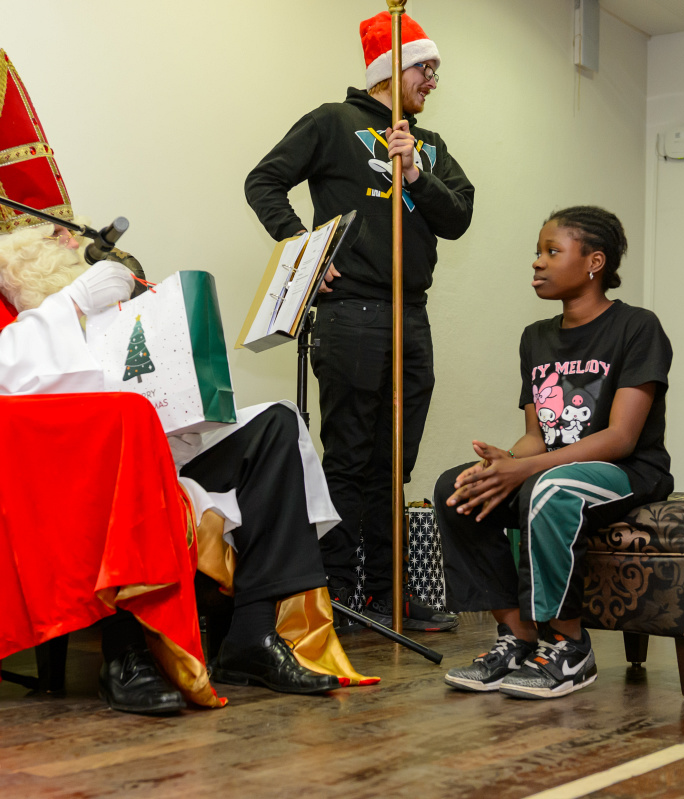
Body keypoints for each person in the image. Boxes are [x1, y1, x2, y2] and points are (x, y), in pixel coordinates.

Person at [0, 50, 372, 718]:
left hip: (150, 444)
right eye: (58, 236)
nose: (74, 246)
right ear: (16, 249)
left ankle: (253, 635)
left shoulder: (77, 293)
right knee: (122, 423)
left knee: (276, 425)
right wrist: (71, 305)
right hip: (64, 467)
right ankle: (124, 653)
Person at [245, 12, 474, 631]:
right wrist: (308, 253)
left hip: (411, 317)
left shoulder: (430, 145)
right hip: (352, 314)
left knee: (394, 464)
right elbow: (263, 181)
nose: (433, 81)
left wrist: (416, 174)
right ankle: (340, 593)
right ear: (391, 70)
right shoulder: (332, 122)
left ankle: (387, 593)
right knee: (347, 459)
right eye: (425, 68)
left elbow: (458, 218)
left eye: (436, 71)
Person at [436, 206, 673, 699]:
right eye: (537, 252)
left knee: (549, 488)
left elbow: (621, 438)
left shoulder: (637, 327)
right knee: (455, 489)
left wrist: (526, 469)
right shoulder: (536, 337)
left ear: (594, 262)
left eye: (552, 251)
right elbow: (537, 435)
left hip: (625, 470)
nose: (537, 262)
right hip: (554, 466)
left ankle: (569, 646)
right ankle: (517, 636)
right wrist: (504, 464)